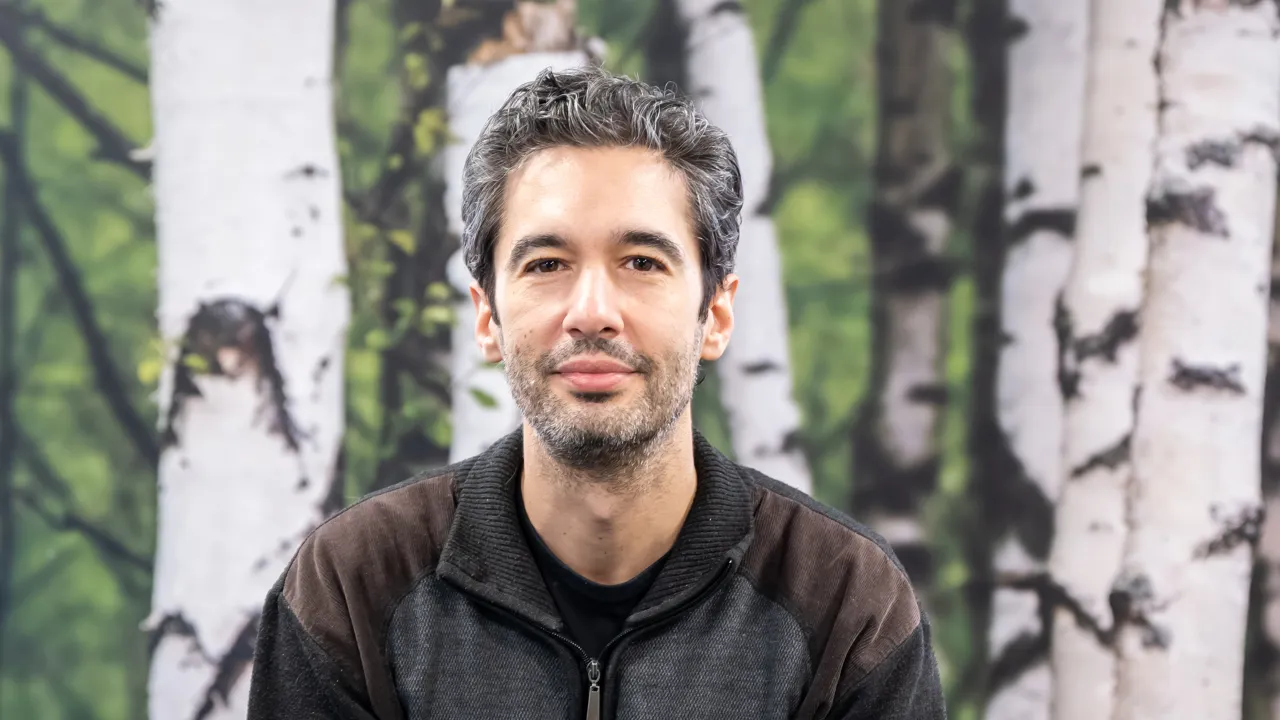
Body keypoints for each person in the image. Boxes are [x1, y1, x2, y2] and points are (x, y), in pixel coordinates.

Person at [247, 64, 945, 720]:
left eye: (641, 262)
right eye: (547, 263)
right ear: (487, 316)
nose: (591, 310)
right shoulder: (354, 585)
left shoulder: (846, 601)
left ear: (717, 314)